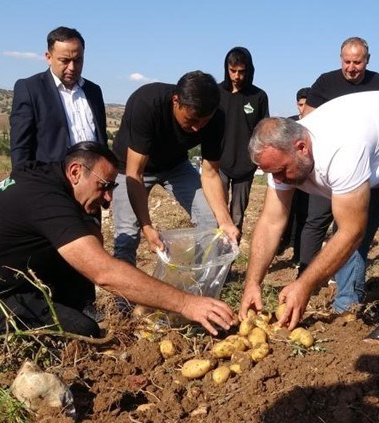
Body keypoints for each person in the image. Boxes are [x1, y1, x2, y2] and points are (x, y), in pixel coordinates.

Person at [0, 142, 235, 337]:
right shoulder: (46, 199)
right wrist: (186, 303)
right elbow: (104, 273)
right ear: (75, 171)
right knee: (84, 331)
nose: (109, 198)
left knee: (76, 290)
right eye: (105, 186)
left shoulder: (46, 179)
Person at [239, 91, 379, 344]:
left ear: (302, 148)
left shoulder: (340, 149)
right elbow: (270, 222)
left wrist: (304, 285)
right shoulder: (280, 156)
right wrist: (252, 283)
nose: (278, 180)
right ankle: (347, 305)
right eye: (271, 173)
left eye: (280, 171)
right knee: (347, 219)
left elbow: (352, 231)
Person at [111, 71, 239, 271]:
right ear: (175, 101)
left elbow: (211, 173)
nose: (197, 128)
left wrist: (225, 221)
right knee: (128, 234)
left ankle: (200, 285)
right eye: (191, 120)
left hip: (175, 165)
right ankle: (122, 300)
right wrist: (147, 227)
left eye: (203, 121)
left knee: (210, 218)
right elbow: (135, 173)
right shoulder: (147, 103)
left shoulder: (216, 117)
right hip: (129, 168)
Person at [298, 36, 379, 276]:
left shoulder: (378, 83)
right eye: (347, 62)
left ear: (367, 61)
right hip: (327, 165)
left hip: (360, 167)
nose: (351, 68)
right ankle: (305, 271)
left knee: (348, 224)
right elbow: (307, 121)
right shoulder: (325, 82)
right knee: (317, 220)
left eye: (357, 62)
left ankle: (338, 277)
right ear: (340, 59)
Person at [10, 26, 107, 167]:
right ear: (49, 58)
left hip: (92, 181)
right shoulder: (30, 89)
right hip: (50, 182)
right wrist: (27, 183)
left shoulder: (94, 91)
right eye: (65, 61)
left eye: (78, 60)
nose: (72, 67)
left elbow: (101, 138)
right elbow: (21, 149)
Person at [217, 47, 270, 238]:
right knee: (218, 215)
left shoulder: (258, 97)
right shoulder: (216, 93)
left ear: (248, 70)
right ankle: (214, 263)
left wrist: (258, 159)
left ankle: (228, 265)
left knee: (237, 217)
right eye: (233, 71)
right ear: (227, 69)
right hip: (219, 163)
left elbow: (263, 131)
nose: (237, 76)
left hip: (245, 167)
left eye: (241, 71)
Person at [277, 87, 311, 261]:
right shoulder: (290, 124)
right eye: (300, 104)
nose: (302, 108)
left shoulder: (314, 125)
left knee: (304, 215)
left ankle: (298, 254)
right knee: (286, 211)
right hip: (289, 179)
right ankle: (282, 244)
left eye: (306, 104)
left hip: (307, 180)